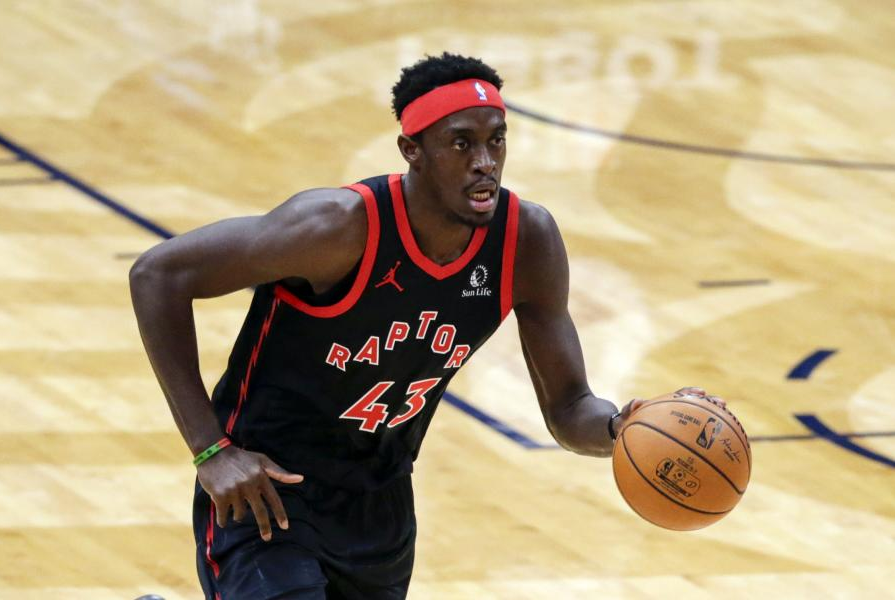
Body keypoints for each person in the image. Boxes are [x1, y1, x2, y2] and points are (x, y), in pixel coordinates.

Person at [130, 52, 717, 600]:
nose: (484, 162)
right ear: (412, 150)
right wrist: (211, 450)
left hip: (380, 504)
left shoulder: (526, 242)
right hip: (267, 490)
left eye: (496, 139)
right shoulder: (336, 228)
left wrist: (623, 428)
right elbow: (158, 275)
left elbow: (568, 408)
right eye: (461, 143)